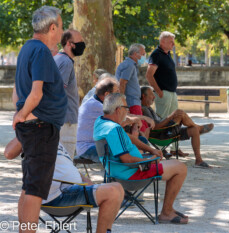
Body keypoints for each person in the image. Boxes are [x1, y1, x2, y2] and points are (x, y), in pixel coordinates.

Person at [12, 6, 67, 231]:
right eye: (61, 27)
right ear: (52, 27)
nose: (62, 32)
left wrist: (21, 114)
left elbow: (18, 91)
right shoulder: (41, 51)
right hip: (41, 128)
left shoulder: (27, 47)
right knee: (35, 189)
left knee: (29, 186)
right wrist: (22, 115)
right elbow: (36, 93)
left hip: (35, 127)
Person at [93, 93, 189, 224]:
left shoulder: (101, 122)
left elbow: (129, 138)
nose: (128, 111)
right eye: (126, 108)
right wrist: (149, 160)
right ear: (118, 110)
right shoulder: (113, 129)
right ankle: (166, 212)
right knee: (180, 168)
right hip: (131, 174)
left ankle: (168, 210)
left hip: (116, 171)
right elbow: (126, 159)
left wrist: (151, 150)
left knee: (173, 164)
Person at [4, 138, 124, 233]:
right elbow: (8, 153)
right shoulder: (33, 134)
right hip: (59, 195)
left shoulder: (56, 139)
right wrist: (27, 128)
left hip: (74, 190)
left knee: (117, 187)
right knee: (113, 190)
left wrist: (86, 181)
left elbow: (67, 167)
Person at [76, 76, 154, 162]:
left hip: (99, 144)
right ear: (107, 95)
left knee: (138, 142)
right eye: (116, 92)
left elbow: (123, 116)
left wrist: (137, 120)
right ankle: (143, 163)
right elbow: (123, 119)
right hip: (89, 148)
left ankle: (143, 161)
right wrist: (140, 119)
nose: (119, 94)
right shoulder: (97, 106)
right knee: (126, 152)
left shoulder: (99, 103)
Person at [141, 86, 214, 168]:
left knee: (194, 130)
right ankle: (199, 128)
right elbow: (156, 126)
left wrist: (170, 117)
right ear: (144, 96)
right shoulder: (144, 109)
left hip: (167, 131)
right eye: (151, 94)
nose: (154, 96)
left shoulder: (148, 108)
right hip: (162, 134)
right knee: (179, 112)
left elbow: (158, 122)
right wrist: (170, 117)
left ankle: (199, 161)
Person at [54, 29, 86, 158]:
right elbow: (57, 91)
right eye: (80, 41)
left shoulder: (57, 59)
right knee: (66, 161)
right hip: (66, 121)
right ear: (69, 43)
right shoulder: (66, 62)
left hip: (61, 120)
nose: (82, 44)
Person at [116, 44, 148, 132]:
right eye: (143, 54)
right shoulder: (129, 65)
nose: (144, 57)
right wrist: (123, 103)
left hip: (133, 102)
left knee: (142, 128)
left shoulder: (131, 65)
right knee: (140, 129)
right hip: (131, 102)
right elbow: (122, 83)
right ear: (135, 54)